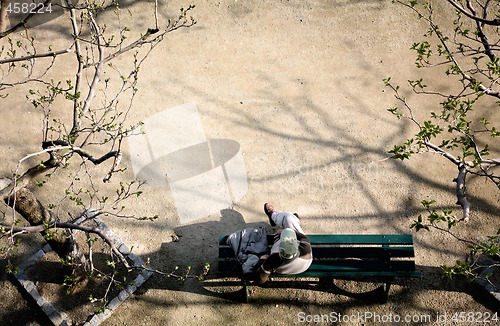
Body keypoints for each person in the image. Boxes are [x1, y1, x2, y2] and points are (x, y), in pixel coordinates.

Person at [253, 203, 313, 285]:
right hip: (304, 265)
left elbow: (259, 280)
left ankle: (273, 215)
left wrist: (262, 260)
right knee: (290, 219)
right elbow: (303, 237)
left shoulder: (273, 259)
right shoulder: (305, 249)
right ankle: (294, 220)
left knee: (287, 217)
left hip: (282, 267)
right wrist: (290, 230)